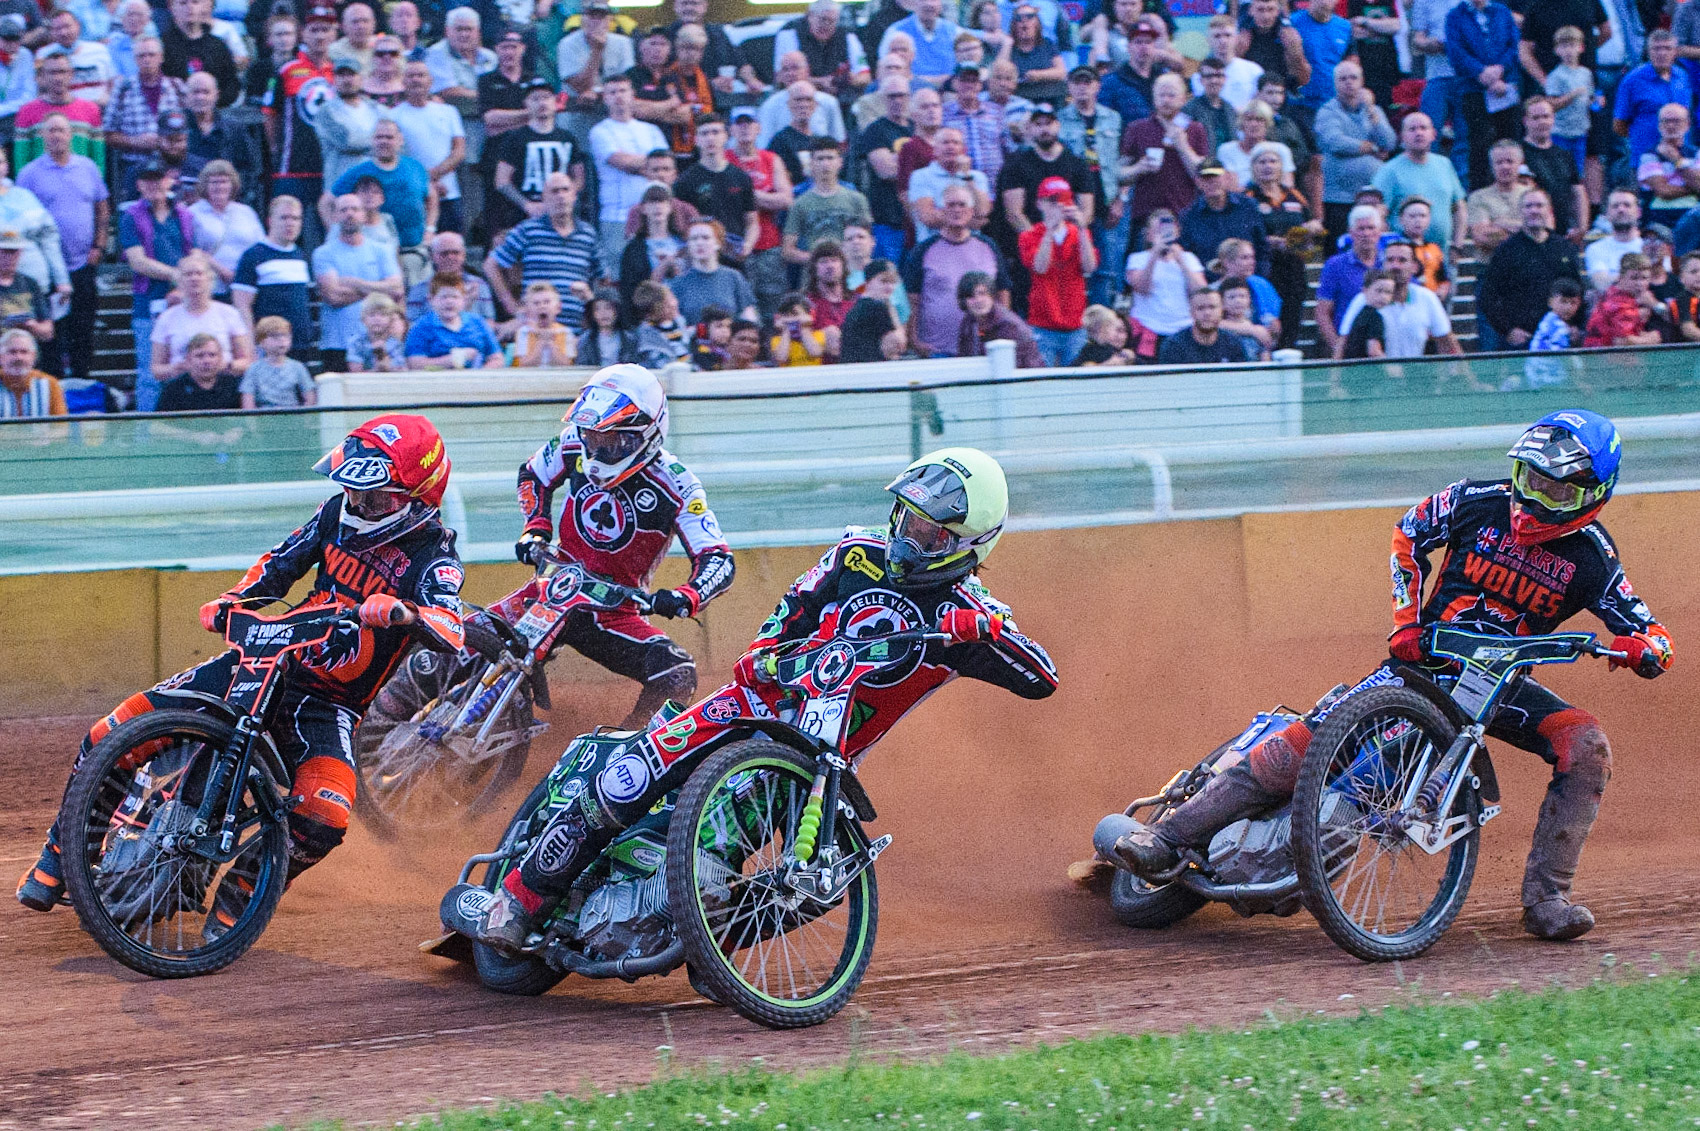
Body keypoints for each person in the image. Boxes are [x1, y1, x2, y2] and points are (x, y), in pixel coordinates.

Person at [443, 444, 1056, 951]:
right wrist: (797, 665)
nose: (908, 536)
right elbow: (764, 647)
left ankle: (694, 944)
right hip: (745, 705)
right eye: (906, 517)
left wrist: (987, 629)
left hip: (815, 763)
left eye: (928, 531)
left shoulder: (971, 615)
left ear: (969, 543)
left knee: (715, 873)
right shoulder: (854, 553)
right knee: (628, 776)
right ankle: (515, 901)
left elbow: (1041, 678)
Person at [1106, 410, 1671, 942]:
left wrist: (1646, 648)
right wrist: (1407, 620)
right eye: (1529, 477)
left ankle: (1548, 900)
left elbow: (1648, 628)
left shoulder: (1594, 557)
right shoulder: (1477, 499)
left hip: (1499, 684)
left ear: (1593, 494)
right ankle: (1166, 837)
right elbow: (1408, 535)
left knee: (1587, 743)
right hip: (1420, 665)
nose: (1534, 497)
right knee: (1303, 744)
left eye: (1555, 490)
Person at [17, 415, 465, 920]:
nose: (360, 505)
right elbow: (279, 564)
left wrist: (408, 613)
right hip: (269, 656)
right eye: (355, 491)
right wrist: (233, 599)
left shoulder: (435, 557)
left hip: (329, 704)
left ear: (420, 497)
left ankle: (242, 898)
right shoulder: (336, 513)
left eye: (376, 498)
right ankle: (60, 854)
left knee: (326, 814)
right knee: (112, 731)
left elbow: (452, 627)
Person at [12, 119, 95, 382]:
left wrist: (100, 245)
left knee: (83, 331)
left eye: (61, 130)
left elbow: (102, 206)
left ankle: (82, 383)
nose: (57, 135)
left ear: (72, 135)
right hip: (46, 273)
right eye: (51, 131)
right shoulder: (28, 174)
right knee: (52, 337)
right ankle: (52, 387)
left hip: (82, 264)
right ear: (43, 137)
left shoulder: (88, 167)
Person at [484, 171, 601, 336]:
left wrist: (590, 308)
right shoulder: (528, 230)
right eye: (554, 191)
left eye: (565, 190)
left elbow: (603, 278)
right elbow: (491, 265)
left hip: (575, 332)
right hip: (535, 331)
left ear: (574, 195)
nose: (561, 196)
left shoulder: (588, 234)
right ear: (544, 199)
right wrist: (512, 306)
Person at [903, 181, 1008, 356]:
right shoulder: (922, 251)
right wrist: (914, 340)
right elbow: (912, 300)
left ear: (972, 211)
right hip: (937, 350)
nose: (957, 210)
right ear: (940, 211)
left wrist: (1001, 332)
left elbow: (1002, 292)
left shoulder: (988, 246)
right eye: (951, 205)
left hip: (983, 348)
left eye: (962, 205)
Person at [118, 162, 192, 410]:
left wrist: (182, 287)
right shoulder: (131, 216)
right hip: (148, 302)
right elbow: (137, 262)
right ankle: (147, 436)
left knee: (184, 369)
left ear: (169, 181)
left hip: (183, 301)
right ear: (139, 185)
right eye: (147, 180)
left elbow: (193, 254)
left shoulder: (184, 215)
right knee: (150, 373)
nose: (154, 185)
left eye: (158, 179)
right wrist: (177, 276)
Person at [264, 7, 336, 248]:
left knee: (330, 231)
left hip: (330, 166)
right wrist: (275, 147)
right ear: (304, 34)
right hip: (293, 165)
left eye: (325, 29)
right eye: (314, 29)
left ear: (334, 34)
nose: (320, 36)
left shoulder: (340, 71)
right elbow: (269, 114)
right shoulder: (287, 70)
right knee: (284, 226)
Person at [1478, 189, 1584, 350]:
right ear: (1521, 211)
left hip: (1559, 338)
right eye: (1528, 206)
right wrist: (1508, 331)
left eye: (1539, 206)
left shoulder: (1564, 248)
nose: (1534, 210)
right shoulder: (1506, 251)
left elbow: (1578, 289)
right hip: (1522, 342)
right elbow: (1488, 297)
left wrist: (1576, 325)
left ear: (1549, 210)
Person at [589, 74, 669, 280]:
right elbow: (620, 161)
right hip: (618, 217)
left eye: (623, 91)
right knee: (619, 277)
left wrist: (642, 167)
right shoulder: (599, 132)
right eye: (612, 92)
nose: (618, 96)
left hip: (654, 217)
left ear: (632, 95)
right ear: (605, 98)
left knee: (657, 275)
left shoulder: (651, 130)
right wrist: (652, 166)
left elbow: (666, 167)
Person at [313, 193, 403, 372]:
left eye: (355, 209)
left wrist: (355, 282)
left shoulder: (382, 250)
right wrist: (379, 291)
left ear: (364, 214)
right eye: (343, 210)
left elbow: (396, 288)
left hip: (380, 342)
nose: (349, 214)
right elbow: (333, 297)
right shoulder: (323, 253)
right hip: (337, 343)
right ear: (335, 216)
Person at [1333, 239, 1460, 361]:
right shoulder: (1365, 299)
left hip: (1414, 378)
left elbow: (1447, 343)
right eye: (1390, 260)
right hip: (1375, 379)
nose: (1395, 266)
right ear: (1383, 265)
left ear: (1414, 267)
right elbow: (1342, 344)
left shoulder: (1426, 297)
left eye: (1402, 260)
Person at [489, 75, 584, 238]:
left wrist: (562, 200)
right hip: (523, 215)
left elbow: (579, 178)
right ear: (526, 104)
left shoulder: (568, 138)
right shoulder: (515, 138)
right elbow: (501, 180)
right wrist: (527, 205)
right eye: (535, 99)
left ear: (555, 102)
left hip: (561, 215)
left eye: (546, 97)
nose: (542, 103)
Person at [1314, 59, 1393, 245]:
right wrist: (1372, 148)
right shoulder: (1327, 112)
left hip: (1372, 198)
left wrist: (1373, 112)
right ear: (1335, 83)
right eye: (1343, 79)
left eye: (1353, 77)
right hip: (1339, 198)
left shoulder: (1373, 110)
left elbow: (1389, 142)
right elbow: (1335, 142)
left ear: (1361, 81)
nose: (1349, 82)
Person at [1443, 0, 1520, 191]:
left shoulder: (1502, 11)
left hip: (1504, 87)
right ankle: (1479, 194)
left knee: (1508, 140)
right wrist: (1480, 73)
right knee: (1478, 144)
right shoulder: (1455, 16)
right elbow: (1455, 52)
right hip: (1473, 88)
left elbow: (1514, 44)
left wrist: (1500, 70)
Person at [329, 118, 435, 256]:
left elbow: (432, 198)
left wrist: (430, 229)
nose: (384, 141)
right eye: (379, 137)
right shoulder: (358, 171)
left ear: (400, 140)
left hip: (414, 249)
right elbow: (327, 201)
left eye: (389, 137)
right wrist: (337, 230)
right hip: (377, 251)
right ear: (372, 140)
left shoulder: (415, 167)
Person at [1018, 175, 1094, 365]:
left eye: (1062, 200)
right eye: (1052, 201)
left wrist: (1083, 228)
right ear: (1039, 204)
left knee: (1076, 382)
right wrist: (1049, 232)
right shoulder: (1029, 235)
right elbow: (1040, 267)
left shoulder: (1078, 234)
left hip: (1075, 323)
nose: (1058, 206)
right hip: (1043, 324)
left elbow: (1089, 267)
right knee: (1042, 381)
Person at [387, 58, 467, 235]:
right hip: (412, 195)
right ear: (403, 81)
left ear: (430, 81)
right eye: (411, 76)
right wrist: (426, 182)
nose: (416, 80)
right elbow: (395, 157)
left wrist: (433, 176)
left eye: (421, 75)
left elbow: (459, 151)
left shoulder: (449, 112)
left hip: (448, 193)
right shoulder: (393, 116)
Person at [148, 251, 253, 383]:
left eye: (199, 273)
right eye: (188, 274)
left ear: (210, 279)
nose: (194, 278)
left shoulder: (230, 313)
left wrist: (225, 366)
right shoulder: (166, 318)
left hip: (224, 385)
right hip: (182, 387)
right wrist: (177, 368)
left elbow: (247, 362)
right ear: (179, 281)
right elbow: (156, 370)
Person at [1120, 73, 1206, 230]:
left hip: (1185, 214)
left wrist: (1183, 147)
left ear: (1183, 99)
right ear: (1154, 98)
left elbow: (1202, 176)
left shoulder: (1195, 129)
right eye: (1161, 95)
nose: (1166, 100)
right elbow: (1119, 174)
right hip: (1145, 216)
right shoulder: (1137, 128)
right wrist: (1139, 168)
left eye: (1172, 95)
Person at [1370, 113, 1466, 252]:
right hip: (1404, 260)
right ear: (1402, 136)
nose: (1418, 133)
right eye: (1412, 129)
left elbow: (1459, 208)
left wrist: (1457, 246)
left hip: (1441, 257)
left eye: (1423, 128)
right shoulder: (1389, 171)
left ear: (1433, 134)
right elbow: (1378, 214)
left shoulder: (1444, 164)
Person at [102, 36, 182, 199]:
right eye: (141, 56)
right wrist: (136, 142)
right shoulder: (123, 89)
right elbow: (108, 134)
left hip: (171, 167)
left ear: (161, 57)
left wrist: (167, 143)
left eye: (151, 55)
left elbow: (189, 130)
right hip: (134, 167)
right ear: (135, 59)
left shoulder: (176, 86)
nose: (147, 60)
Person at [672, 113, 758, 262]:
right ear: (696, 140)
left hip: (734, 257)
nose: (710, 138)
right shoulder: (685, 181)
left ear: (726, 136)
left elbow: (752, 221)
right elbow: (679, 224)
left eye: (715, 132)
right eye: (704, 133)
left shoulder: (741, 177)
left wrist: (748, 245)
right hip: (701, 257)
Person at [231, 194, 310, 342]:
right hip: (268, 345)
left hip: (300, 345)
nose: (290, 223)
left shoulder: (300, 255)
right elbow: (242, 305)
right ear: (270, 221)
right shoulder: (253, 255)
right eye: (284, 218)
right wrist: (250, 343)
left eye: (295, 218)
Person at [852, 75, 914, 262]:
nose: (897, 100)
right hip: (887, 220)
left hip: (915, 219)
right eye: (892, 96)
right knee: (888, 277)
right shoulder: (875, 130)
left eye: (902, 95)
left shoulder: (917, 127)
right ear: (882, 99)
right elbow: (886, 171)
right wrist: (916, 162)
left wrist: (899, 160)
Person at [782, 137, 871, 263]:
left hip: (850, 272)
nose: (825, 164)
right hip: (814, 275)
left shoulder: (857, 199)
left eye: (830, 158)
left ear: (840, 162)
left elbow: (869, 241)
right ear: (811, 163)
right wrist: (820, 260)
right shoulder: (799, 204)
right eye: (820, 158)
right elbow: (788, 250)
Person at [1312, 203, 1382, 358]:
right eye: (1361, 229)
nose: (1366, 233)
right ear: (1351, 233)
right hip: (1349, 345)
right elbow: (1322, 312)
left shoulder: (1389, 262)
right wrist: (1338, 348)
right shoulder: (1335, 265)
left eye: (1371, 228)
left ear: (1379, 232)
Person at [1124, 207, 1205, 339]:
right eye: (1157, 232)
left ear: (1176, 231)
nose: (1163, 235)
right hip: (1148, 327)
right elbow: (1141, 288)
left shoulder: (1189, 258)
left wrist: (1181, 262)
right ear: (1149, 234)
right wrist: (1155, 254)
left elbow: (1201, 291)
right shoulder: (1137, 259)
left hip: (1183, 327)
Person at [1614, 30, 1690, 169]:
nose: (1662, 53)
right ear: (1648, 51)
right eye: (1656, 48)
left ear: (1675, 52)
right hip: (1645, 157)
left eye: (1667, 48)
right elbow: (1619, 124)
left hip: (1680, 156)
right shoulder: (1632, 80)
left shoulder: (1682, 77)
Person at [1179, 159, 1267, 277]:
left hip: (1248, 282)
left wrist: (1259, 277)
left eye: (1216, 177)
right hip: (1210, 285)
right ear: (1198, 182)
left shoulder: (1248, 206)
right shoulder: (1189, 216)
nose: (1211, 182)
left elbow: (1262, 246)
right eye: (1206, 178)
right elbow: (1187, 256)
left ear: (1226, 178)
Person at [14, 53, 102, 170]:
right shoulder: (26, 111)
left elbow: (98, 160)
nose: (58, 78)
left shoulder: (91, 110)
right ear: (43, 76)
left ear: (71, 74)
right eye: (52, 72)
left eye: (62, 72)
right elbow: (21, 160)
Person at [189, 159, 262, 297]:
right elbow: (192, 250)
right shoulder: (192, 213)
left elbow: (260, 247)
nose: (219, 186)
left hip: (246, 286)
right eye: (214, 182)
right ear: (205, 185)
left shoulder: (246, 212)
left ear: (232, 185)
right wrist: (223, 272)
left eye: (224, 182)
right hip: (211, 288)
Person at [1521, 94, 1589, 242]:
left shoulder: (1564, 155)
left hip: (1561, 234)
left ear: (1553, 119)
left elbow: (1577, 192)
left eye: (1546, 116)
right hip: (1531, 233)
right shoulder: (1518, 155)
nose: (1542, 122)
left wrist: (1582, 226)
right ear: (1525, 121)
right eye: (1536, 118)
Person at [666, 218, 756, 325]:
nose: (699, 243)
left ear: (718, 243)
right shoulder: (678, 284)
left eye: (705, 238)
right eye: (694, 239)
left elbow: (748, 317)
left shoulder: (734, 277)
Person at [773, 0, 868, 96]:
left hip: (842, 99)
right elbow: (781, 77)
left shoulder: (848, 37)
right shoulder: (789, 34)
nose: (826, 25)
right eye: (823, 19)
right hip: (800, 97)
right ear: (810, 16)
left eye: (831, 21)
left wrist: (849, 80)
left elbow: (865, 76)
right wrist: (821, 83)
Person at [405, 274, 503, 368]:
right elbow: (415, 364)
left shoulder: (478, 322)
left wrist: (479, 375)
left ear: (464, 300)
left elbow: (497, 358)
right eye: (444, 297)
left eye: (455, 297)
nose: (449, 301)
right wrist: (455, 359)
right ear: (431, 299)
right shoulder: (421, 327)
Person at [159, 0, 237, 106]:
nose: (190, 7)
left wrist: (210, 101)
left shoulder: (217, 46)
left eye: (195, 2)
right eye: (183, 3)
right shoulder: (162, 46)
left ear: (202, 7)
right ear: (172, 8)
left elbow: (231, 84)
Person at [1637, 103, 1700, 229]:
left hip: (1694, 215)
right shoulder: (1649, 155)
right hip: (1660, 216)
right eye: (1666, 121)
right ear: (1659, 125)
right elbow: (1663, 191)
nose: (1671, 126)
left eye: (1676, 121)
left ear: (1687, 125)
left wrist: (1676, 160)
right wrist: (1693, 187)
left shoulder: (1696, 153)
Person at [425, 6, 495, 120]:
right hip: (450, 119)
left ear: (478, 32)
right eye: (459, 29)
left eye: (469, 29)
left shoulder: (490, 57)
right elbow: (448, 92)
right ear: (447, 31)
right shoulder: (436, 53)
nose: (464, 34)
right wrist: (491, 95)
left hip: (487, 119)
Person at [1542, 27, 1593, 181]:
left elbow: (1588, 99)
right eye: (1564, 46)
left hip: (1580, 131)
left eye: (1572, 45)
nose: (1569, 51)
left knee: (1578, 174)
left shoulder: (1586, 73)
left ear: (1581, 48)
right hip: (1560, 132)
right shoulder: (1556, 76)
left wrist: (1595, 101)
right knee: (1561, 173)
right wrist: (1572, 95)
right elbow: (1551, 104)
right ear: (1557, 50)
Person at [1584, 253, 1665, 346]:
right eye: (1634, 278)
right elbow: (1621, 341)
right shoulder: (1619, 304)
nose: (1640, 283)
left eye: (1644, 278)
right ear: (1621, 278)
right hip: (1601, 356)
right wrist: (1650, 340)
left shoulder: (1619, 294)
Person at [879, 0, 967, 86]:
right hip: (909, 90)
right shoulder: (896, 31)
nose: (929, 4)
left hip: (949, 90)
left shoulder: (954, 31)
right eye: (923, 0)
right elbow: (886, 66)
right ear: (913, 3)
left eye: (934, 0)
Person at [1289, 0, 1353, 118]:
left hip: (1333, 103)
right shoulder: (1292, 23)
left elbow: (1351, 65)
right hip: (1300, 103)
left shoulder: (1345, 27)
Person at [1156, 285, 1249, 364]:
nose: (1207, 313)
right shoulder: (1174, 346)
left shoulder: (1233, 343)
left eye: (1212, 307)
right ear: (1191, 312)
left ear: (1221, 310)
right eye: (1201, 308)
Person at [557, 0, 632, 96]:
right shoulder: (567, 44)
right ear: (582, 19)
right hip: (577, 101)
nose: (596, 21)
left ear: (609, 21)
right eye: (592, 16)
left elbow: (627, 81)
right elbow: (579, 87)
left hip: (614, 98)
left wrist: (602, 94)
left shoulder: (623, 42)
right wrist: (597, 51)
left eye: (601, 17)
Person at [1465, 139, 1527, 254]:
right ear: (1492, 166)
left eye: (1510, 161)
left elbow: (1545, 231)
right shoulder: (1478, 197)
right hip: (1490, 266)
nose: (1505, 167)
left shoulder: (1532, 195)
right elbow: (1482, 237)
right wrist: (1525, 229)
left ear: (1520, 164)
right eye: (1499, 162)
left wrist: (1502, 224)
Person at [240, 314, 316, 406]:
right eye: (275, 336)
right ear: (261, 342)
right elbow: (248, 400)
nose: (282, 340)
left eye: (285, 335)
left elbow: (309, 396)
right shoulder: (253, 369)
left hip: (291, 415)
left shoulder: (297, 367)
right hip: (264, 416)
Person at [839, 257, 903, 363]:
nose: (889, 287)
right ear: (868, 282)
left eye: (893, 282)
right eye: (884, 281)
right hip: (867, 370)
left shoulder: (858, 306)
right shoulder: (876, 308)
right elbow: (898, 344)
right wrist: (890, 307)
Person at [1584, 189, 1644, 293]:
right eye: (1615, 206)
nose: (1621, 209)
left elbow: (1657, 280)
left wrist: (1614, 279)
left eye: (1627, 205)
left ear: (1638, 212)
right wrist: (1639, 278)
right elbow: (1601, 284)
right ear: (1607, 214)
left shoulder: (1648, 247)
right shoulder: (1596, 249)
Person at [509, 281, 574, 367]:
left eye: (547, 302)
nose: (542, 306)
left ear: (558, 308)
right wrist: (541, 341)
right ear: (528, 310)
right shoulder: (523, 332)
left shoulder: (565, 332)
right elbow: (523, 365)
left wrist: (550, 342)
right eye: (536, 303)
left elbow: (566, 365)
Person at [0, 327, 63, 416]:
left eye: (24, 352)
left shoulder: (50, 384)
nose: (19, 358)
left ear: (34, 357)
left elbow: (60, 426)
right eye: (12, 352)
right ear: (1, 357)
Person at [1337, 266, 1393, 357]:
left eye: (1388, 292)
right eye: (1379, 291)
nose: (1383, 297)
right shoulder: (1375, 318)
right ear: (1365, 291)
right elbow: (1374, 351)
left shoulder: (1361, 314)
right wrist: (1391, 367)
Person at [576, 291, 639, 366]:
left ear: (617, 310)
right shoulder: (586, 340)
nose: (603, 313)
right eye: (597, 309)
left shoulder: (629, 339)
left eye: (608, 308)